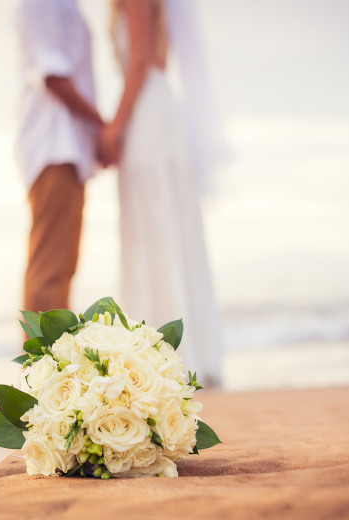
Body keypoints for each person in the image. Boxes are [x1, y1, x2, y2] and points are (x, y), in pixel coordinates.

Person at [99, 0, 224, 387]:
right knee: (167, 230)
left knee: (151, 232)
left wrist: (114, 127)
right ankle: (186, 352)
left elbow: (141, 61)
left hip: (147, 118)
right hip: (159, 112)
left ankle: (162, 358)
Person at [14, 0, 104, 315]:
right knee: (50, 270)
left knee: (61, 268)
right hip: (54, 143)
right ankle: (40, 364)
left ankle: (50, 363)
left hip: (67, 145)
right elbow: (51, 71)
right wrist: (100, 127)